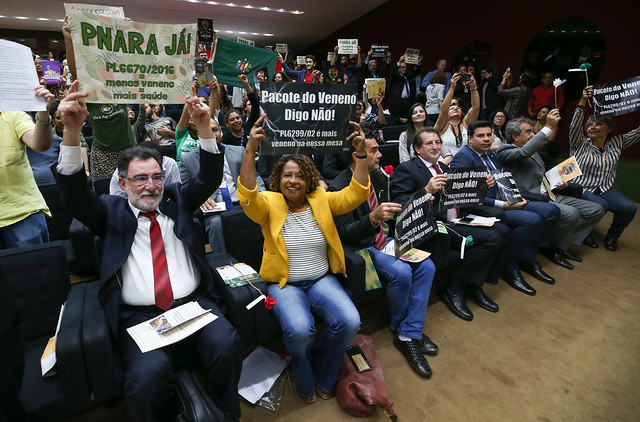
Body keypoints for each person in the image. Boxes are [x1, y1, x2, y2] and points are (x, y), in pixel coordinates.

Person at [54, 82, 242, 421]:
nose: (150, 186)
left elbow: (211, 176)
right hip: (141, 318)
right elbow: (74, 194)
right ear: (123, 183)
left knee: (227, 343)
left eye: (156, 177)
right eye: (140, 179)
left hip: (194, 306)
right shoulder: (110, 211)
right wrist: (71, 131)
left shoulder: (177, 200)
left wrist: (203, 126)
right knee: (146, 379)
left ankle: (227, 412)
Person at [237, 115, 369, 402]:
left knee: (350, 321)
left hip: (321, 279)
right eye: (287, 175)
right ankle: (301, 365)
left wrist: (361, 155)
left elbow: (355, 195)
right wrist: (250, 150)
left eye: (299, 175)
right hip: (285, 286)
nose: (293, 180)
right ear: (278, 179)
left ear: (308, 179)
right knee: (299, 331)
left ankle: (326, 367)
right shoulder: (269, 203)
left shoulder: (320, 198)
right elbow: (247, 196)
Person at [330, 128, 436, 378]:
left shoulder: (377, 177)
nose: (380, 154)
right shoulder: (337, 188)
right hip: (363, 246)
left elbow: (395, 211)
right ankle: (404, 329)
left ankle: (407, 332)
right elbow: (344, 233)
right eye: (374, 150)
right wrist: (372, 219)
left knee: (428, 266)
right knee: (401, 272)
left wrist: (420, 200)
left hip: (387, 240)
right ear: (357, 156)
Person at [391, 127, 511, 321]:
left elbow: (463, 197)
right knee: (492, 237)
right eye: (429, 143)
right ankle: (455, 289)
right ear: (417, 148)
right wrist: (426, 189)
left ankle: (474, 285)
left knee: (504, 230)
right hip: (432, 225)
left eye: (438, 142)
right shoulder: (407, 169)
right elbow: (400, 204)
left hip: (458, 217)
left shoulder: (445, 168)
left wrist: (482, 185)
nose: (435, 146)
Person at [450, 120, 561, 292]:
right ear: (470, 138)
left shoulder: (491, 155)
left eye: (489, 135)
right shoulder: (462, 158)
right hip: (485, 208)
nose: (486, 139)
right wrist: (505, 205)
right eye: (481, 136)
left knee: (552, 211)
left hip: (508, 199)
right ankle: (511, 266)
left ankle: (527, 256)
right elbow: (466, 198)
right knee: (532, 220)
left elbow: (503, 180)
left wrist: (515, 198)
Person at [497, 113, 606, 262]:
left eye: (533, 131)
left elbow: (540, 174)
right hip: (533, 198)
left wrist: (559, 183)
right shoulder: (505, 150)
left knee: (596, 209)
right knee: (571, 214)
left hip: (551, 193)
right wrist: (548, 127)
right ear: (515, 137)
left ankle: (555, 241)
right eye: (528, 132)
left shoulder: (534, 152)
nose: (533, 135)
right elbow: (523, 153)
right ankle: (556, 248)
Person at [569, 86, 639, 251]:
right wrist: (583, 101)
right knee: (601, 206)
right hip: (581, 187)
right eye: (590, 125)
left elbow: (638, 133)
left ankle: (613, 235)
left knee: (629, 207)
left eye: (598, 124)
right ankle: (584, 233)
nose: (592, 127)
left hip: (604, 188)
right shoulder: (579, 143)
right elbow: (574, 126)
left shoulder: (618, 142)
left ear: (609, 129)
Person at [0, 85, 54, 249]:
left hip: (23, 215)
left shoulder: (13, 115)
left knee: (33, 273)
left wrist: (43, 114)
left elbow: (40, 144)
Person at [434, 73, 480, 164]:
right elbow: (443, 111)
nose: (455, 107)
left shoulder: (466, 123)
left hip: (466, 165)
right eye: (451, 106)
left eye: (458, 107)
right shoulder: (442, 125)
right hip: (446, 165)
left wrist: (473, 88)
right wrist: (452, 88)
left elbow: (476, 108)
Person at [221, 74, 260, 147]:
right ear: (227, 124)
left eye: (237, 118)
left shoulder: (248, 128)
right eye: (232, 119)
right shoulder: (226, 137)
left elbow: (255, 106)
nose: (236, 121)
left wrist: (246, 85)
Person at [387, 54, 421, 120]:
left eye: (406, 67)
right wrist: (399, 61)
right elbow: (393, 72)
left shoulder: (407, 76)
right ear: (399, 68)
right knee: (398, 120)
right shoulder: (395, 77)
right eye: (403, 67)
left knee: (407, 119)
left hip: (407, 102)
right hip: (397, 102)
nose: (405, 69)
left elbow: (416, 73)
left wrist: (418, 63)